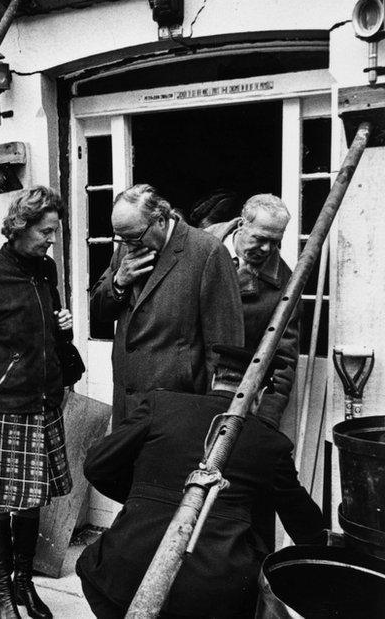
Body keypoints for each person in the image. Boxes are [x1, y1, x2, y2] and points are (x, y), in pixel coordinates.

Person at [75, 345, 326, 618]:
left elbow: (97, 465)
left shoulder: (162, 405)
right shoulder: (270, 443)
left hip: (121, 577)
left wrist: (145, 497)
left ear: (214, 378)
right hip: (212, 597)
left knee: (93, 567)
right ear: (262, 394)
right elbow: (307, 528)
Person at [0, 186, 75, 619]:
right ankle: (1, 592)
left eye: (55, 231)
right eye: (46, 231)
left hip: (43, 403)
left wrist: (63, 323)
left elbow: (49, 334)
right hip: (3, 406)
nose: (51, 239)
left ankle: (24, 583)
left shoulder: (46, 270)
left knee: (32, 498)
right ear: (20, 228)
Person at [89, 184, 244, 426]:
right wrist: (119, 281)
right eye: (122, 238)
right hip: (128, 406)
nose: (128, 246)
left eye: (134, 237)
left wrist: (213, 411)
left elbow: (225, 347)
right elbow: (98, 311)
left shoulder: (208, 253)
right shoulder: (126, 249)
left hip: (178, 409)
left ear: (161, 220)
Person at [205, 194, 298, 428]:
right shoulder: (197, 245)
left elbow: (283, 360)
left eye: (275, 241)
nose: (267, 248)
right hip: (181, 388)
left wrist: (265, 421)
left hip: (228, 400)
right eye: (260, 238)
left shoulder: (286, 285)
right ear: (240, 225)